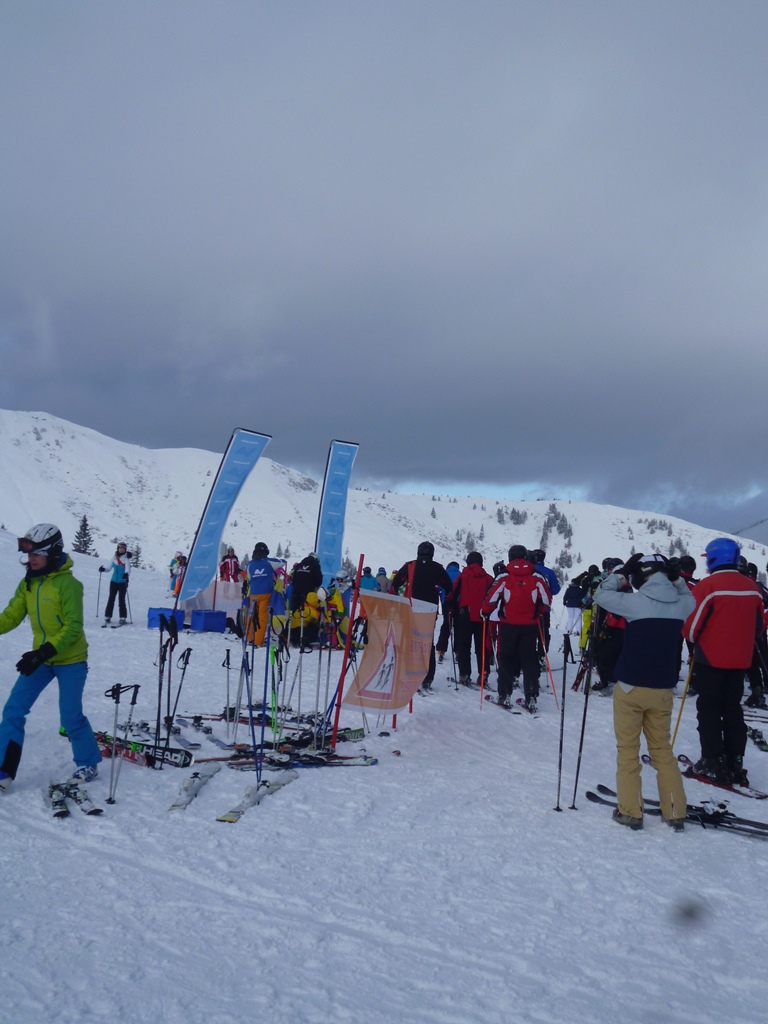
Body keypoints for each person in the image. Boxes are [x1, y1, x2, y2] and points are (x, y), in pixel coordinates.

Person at [593, 552, 695, 830]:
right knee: (662, 750)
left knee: (628, 750)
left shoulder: (635, 603)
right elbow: (689, 595)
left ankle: (630, 811)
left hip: (630, 687)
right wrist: (676, 579)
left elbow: (601, 594)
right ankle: (674, 810)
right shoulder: (681, 606)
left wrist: (621, 574)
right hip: (662, 688)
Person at [0, 524, 101, 791]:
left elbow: (73, 627)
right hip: (41, 659)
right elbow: (11, 615)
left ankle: (88, 762)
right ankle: (3, 771)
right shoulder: (29, 583)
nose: (31, 559)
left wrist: (42, 652)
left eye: (37, 554)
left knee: (69, 718)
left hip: (70, 661)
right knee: (13, 710)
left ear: (53, 553)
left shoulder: (69, 585)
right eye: (29, 554)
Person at [684, 537, 764, 785]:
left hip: (711, 659)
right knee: (732, 708)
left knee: (708, 710)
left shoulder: (709, 586)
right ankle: (735, 760)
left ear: (715, 558)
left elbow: (691, 627)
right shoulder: (753, 587)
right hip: (740, 660)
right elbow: (759, 628)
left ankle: (712, 760)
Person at [482, 545, 550, 712]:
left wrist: (485, 612)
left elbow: (492, 597)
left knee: (506, 658)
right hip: (530, 625)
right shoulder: (536, 576)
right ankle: (531, 697)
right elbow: (547, 600)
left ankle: (504, 695)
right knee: (529, 660)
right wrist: (539, 612)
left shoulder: (504, 576)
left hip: (508, 625)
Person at [391, 542, 454, 693]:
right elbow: (449, 588)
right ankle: (427, 678)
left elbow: (394, 585)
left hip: (411, 609)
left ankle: (408, 674)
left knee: (409, 641)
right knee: (427, 643)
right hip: (429, 611)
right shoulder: (438, 568)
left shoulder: (410, 566)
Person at [448, 552, 493, 686]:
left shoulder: (463, 577)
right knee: (482, 647)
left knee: (464, 646)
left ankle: (464, 674)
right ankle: (483, 674)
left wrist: (451, 608)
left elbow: (452, 594)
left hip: (464, 614)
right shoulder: (488, 578)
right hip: (482, 615)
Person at [244, 542, 277, 646]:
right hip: (266, 593)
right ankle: (258, 641)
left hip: (253, 593)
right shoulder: (269, 562)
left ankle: (249, 638)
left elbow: (248, 577)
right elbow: (282, 562)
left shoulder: (249, 564)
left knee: (251, 616)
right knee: (262, 618)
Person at [99, 541, 132, 626]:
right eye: (120, 548)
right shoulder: (114, 558)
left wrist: (126, 575)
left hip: (122, 582)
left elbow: (128, 570)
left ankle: (123, 617)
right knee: (111, 598)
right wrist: (103, 569)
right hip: (113, 581)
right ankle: (108, 616)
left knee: (121, 600)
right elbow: (109, 568)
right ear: (117, 549)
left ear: (125, 549)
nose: (121, 550)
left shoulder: (126, 559)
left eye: (123, 548)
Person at [436, 561, 461, 664]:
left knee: (446, 625)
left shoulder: (444, 574)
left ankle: (441, 650)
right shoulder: (461, 574)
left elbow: (439, 588)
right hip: (459, 602)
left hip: (446, 601)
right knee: (458, 626)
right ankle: (458, 652)